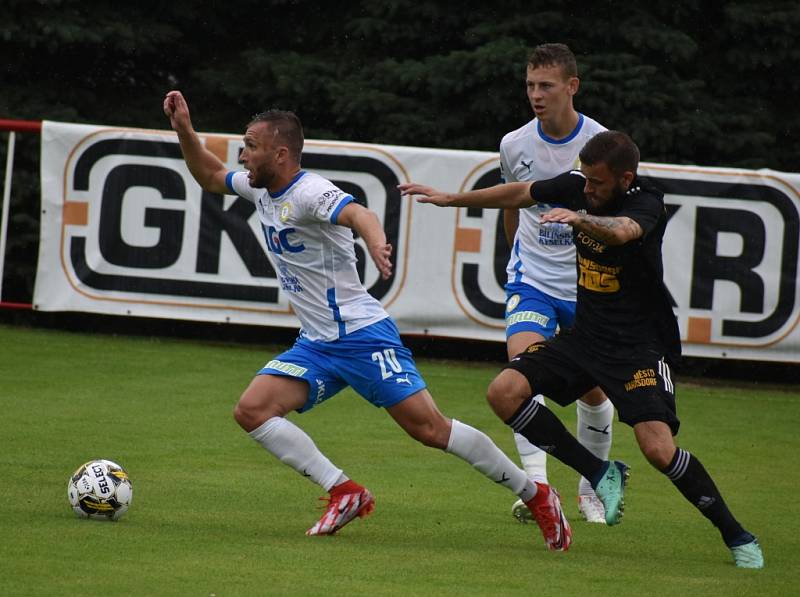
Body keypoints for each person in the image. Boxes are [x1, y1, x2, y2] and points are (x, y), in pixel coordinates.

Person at [162, 90, 573, 550]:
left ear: (280, 153)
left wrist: (376, 242)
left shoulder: (309, 191)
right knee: (252, 411)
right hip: (317, 343)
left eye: (251, 146)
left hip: (360, 337)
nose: (243, 154)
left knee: (431, 429)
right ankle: (345, 491)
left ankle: (536, 494)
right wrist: (184, 130)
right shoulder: (259, 188)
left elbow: (360, 213)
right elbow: (211, 175)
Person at [399, 130, 764, 568]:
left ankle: (737, 535)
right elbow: (520, 192)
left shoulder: (646, 201)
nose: (586, 189)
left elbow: (623, 232)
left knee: (658, 449)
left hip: (638, 349)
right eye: (584, 180)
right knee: (504, 391)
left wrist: (580, 220)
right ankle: (598, 471)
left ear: (625, 178)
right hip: (585, 338)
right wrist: (451, 199)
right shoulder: (579, 185)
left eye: (597, 183)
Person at [498, 43, 613, 525]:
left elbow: (620, 220)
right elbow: (512, 203)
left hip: (587, 287)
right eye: (530, 85)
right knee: (523, 373)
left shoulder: (603, 144)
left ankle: (592, 485)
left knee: (593, 394)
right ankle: (539, 487)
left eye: (546, 85)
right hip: (533, 281)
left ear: (572, 86)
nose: (536, 95)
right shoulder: (514, 144)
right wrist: (512, 261)